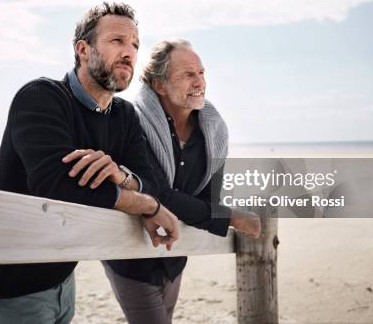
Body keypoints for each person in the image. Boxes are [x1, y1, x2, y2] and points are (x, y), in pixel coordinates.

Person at [0, 2, 179, 324]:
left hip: (63, 276)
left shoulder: (124, 116)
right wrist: (146, 206)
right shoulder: (41, 97)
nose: (129, 52)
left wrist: (120, 175)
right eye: (117, 41)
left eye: (135, 44)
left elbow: (153, 183)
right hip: (11, 280)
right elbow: (58, 190)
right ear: (83, 49)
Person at [103, 39, 261, 324]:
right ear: (159, 85)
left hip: (175, 256)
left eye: (201, 73)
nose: (199, 81)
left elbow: (208, 202)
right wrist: (232, 218)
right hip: (132, 257)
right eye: (188, 74)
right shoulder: (133, 122)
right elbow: (158, 193)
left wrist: (217, 213)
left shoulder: (213, 132)